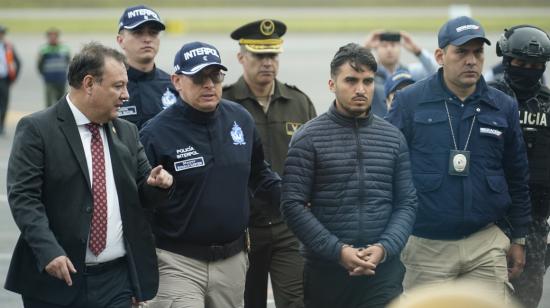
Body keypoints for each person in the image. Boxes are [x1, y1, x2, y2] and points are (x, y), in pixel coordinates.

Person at [5, 42, 174, 308]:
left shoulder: (127, 133)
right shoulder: (38, 129)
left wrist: (159, 185)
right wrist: (49, 252)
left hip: (116, 279)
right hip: (57, 279)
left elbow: (144, 194)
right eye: (118, 86)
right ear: (89, 84)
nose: (126, 95)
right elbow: (24, 198)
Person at [386, 16, 531, 302]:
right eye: (461, 52)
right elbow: (385, 167)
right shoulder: (410, 102)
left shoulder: (502, 105)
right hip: (427, 245)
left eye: (478, 52)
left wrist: (519, 238)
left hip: (485, 242)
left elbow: (517, 174)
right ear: (440, 56)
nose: (471, 60)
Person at [140, 41, 281, 308]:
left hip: (232, 261)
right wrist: (155, 189)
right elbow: (139, 203)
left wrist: (295, 197)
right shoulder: (154, 133)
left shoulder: (240, 120)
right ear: (177, 81)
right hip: (177, 262)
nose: (208, 84)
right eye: (198, 77)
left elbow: (260, 174)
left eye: (215, 76)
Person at [281, 42, 417, 308]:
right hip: (327, 272)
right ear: (332, 84)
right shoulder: (308, 138)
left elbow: (407, 202)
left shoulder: (392, 138)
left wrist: (385, 247)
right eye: (351, 80)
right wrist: (338, 251)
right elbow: (292, 205)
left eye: (368, 81)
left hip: (382, 272)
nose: (360, 89)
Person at [223, 19, 316, 308]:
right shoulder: (225, 104)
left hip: (289, 226)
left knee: (295, 301)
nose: (267, 63)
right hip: (244, 229)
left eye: (272, 55)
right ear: (241, 58)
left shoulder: (298, 102)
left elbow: (316, 159)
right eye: (259, 55)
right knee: (249, 302)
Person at [488, 25, 550, 308]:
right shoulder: (487, 100)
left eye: (535, 65)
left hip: (536, 218)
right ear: (506, 59)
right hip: (489, 217)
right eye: (521, 63)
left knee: (527, 297)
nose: (528, 69)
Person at [116, 5, 176, 129]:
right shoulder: (109, 87)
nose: (147, 39)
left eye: (153, 33)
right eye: (138, 32)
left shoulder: (174, 86)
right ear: (121, 40)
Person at [364, 29, 438, 83]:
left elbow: (436, 70)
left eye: (393, 45)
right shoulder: (369, 73)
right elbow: (353, 70)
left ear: (400, 48)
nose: (389, 49)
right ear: (376, 49)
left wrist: (417, 51)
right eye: (384, 46)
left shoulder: (410, 72)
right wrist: (365, 49)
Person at [37, 27, 71, 108]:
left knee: (62, 102)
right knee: (49, 103)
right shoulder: (44, 50)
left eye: (54, 36)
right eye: (51, 36)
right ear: (48, 37)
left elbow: (68, 62)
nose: (53, 38)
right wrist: (45, 75)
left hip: (61, 79)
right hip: (49, 80)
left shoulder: (64, 49)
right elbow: (39, 65)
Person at [0, 24, 20, 135]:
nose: (1, 35)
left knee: (4, 103)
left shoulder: (8, 47)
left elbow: (18, 62)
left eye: (2, 33)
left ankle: (1, 125)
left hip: (4, 79)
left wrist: (13, 77)